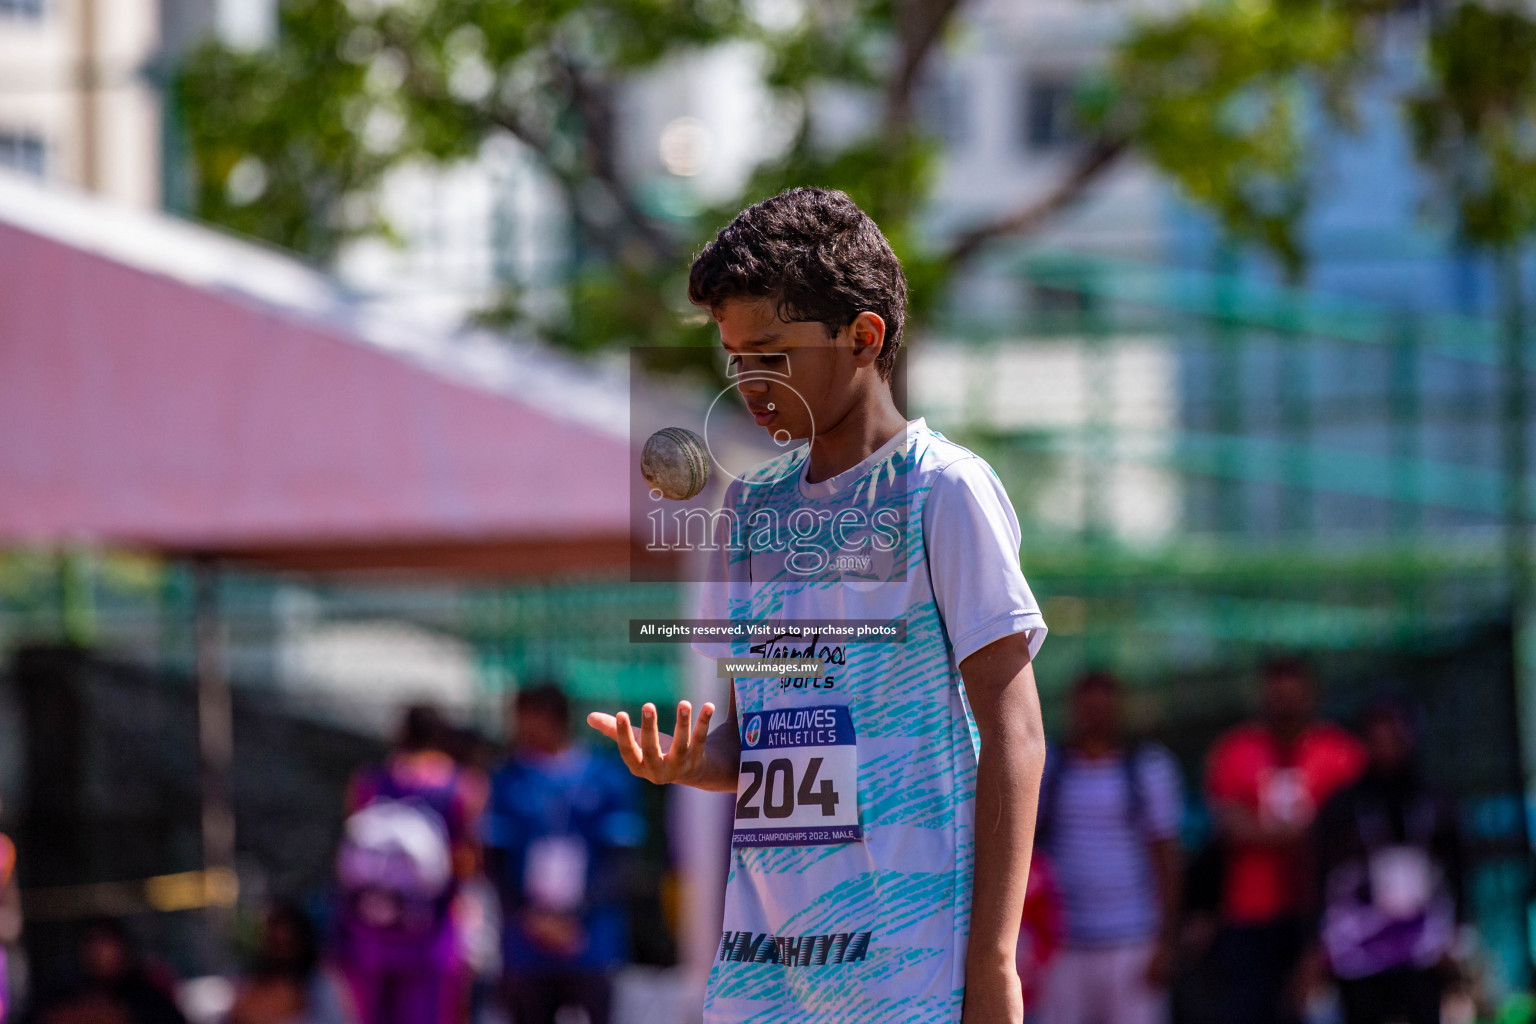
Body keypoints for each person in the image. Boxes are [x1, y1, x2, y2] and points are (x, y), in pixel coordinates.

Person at [588, 187, 1050, 1024]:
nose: (749, 384)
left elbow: (1015, 734)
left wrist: (993, 961)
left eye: (771, 355)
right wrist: (692, 762)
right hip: (766, 966)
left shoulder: (942, 491)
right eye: (735, 361)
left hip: (913, 968)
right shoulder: (748, 510)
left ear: (863, 337)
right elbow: (768, 739)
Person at [1205, 656, 1366, 1024]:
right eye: (1275, 692)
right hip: (1250, 914)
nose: (1284, 702)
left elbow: (1352, 830)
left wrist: (1266, 832)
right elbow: (1229, 825)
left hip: (1326, 913)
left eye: (1292, 692)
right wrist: (1309, 831)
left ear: (1311, 694)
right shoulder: (1235, 750)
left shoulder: (1340, 753)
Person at [483, 683, 645, 1024]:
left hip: (590, 938)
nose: (519, 729)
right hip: (526, 942)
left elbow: (621, 859)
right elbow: (493, 859)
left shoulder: (605, 776)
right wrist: (530, 917)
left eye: (527, 718)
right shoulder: (507, 778)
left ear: (553, 718)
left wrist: (577, 916)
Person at [1036, 670, 1184, 1024]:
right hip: (1062, 946)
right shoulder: (1047, 768)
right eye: (1088, 708)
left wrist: (1166, 942)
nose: (1095, 716)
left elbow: (1166, 857)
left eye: (1104, 708)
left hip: (1133, 943)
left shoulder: (1150, 769)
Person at [334, 705, 485, 1024]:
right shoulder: (460, 786)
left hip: (369, 935)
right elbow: (468, 861)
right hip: (433, 938)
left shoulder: (369, 783)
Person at [1315, 698, 1462, 1024]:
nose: (1386, 749)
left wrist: (1458, 933)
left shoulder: (1434, 801)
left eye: (1394, 738)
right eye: (1376, 738)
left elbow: (1458, 866)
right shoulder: (1343, 807)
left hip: (1422, 944)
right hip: (1360, 946)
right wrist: (1318, 941)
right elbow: (1322, 874)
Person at [26, 918, 185, 1024]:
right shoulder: (62, 991)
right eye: (92, 943)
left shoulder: (146, 994)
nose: (99, 953)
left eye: (106, 943)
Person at [227, 902, 356, 1024]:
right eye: (275, 943)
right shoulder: (252, 983)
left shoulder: (320, 984)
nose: (281, 952)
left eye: (287, 943)